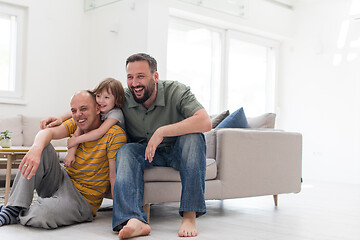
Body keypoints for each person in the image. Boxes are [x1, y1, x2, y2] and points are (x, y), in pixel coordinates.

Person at [112, 53, 212, 238]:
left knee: (194, 137)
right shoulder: (124, 97)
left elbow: (205, 121)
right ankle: (133, 220)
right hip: (146, 153)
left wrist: (162, 131)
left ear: (155, 77)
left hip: (177, 152)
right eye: (130, 77)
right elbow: (94, 104)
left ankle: (189, 215)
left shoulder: (177, 90)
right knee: (125, 151)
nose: (134, 83)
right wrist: (62, 120)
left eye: (140, 76)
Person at [0, 90, 126, 229]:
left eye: (83, 109)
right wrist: (35, 149)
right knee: (42, 147)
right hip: (62, 180)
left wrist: (119, 213)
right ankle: (13, 209)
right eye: (74, 110)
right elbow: (47, 132)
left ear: (97, 108)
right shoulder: (76, 123)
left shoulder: (115, 135)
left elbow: (114, 176)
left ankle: (33, 209)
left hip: (82, 200)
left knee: (40, 215)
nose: (78, 115)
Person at [40, 78, 126, 168]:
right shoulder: (102, 107)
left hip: (113, 143)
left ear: (116, 100)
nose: (100, 100)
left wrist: (76, 140)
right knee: (79, 127)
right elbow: (77, 112)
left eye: (106, 97)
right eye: (98, 96)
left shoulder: (116, 114)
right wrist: (61, 118)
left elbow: (99, 132)